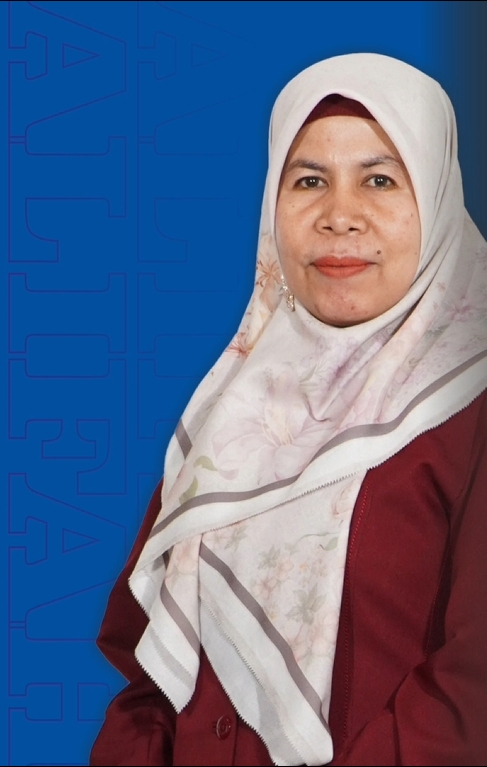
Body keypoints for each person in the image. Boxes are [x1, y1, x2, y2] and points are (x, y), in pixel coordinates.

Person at [90, 53, 487, 766]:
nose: (339, 217)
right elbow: (151, 682)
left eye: (379, 179)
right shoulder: (234, 412)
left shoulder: (472, 413)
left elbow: (470, 698)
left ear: (437, 198)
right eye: (308, 180)